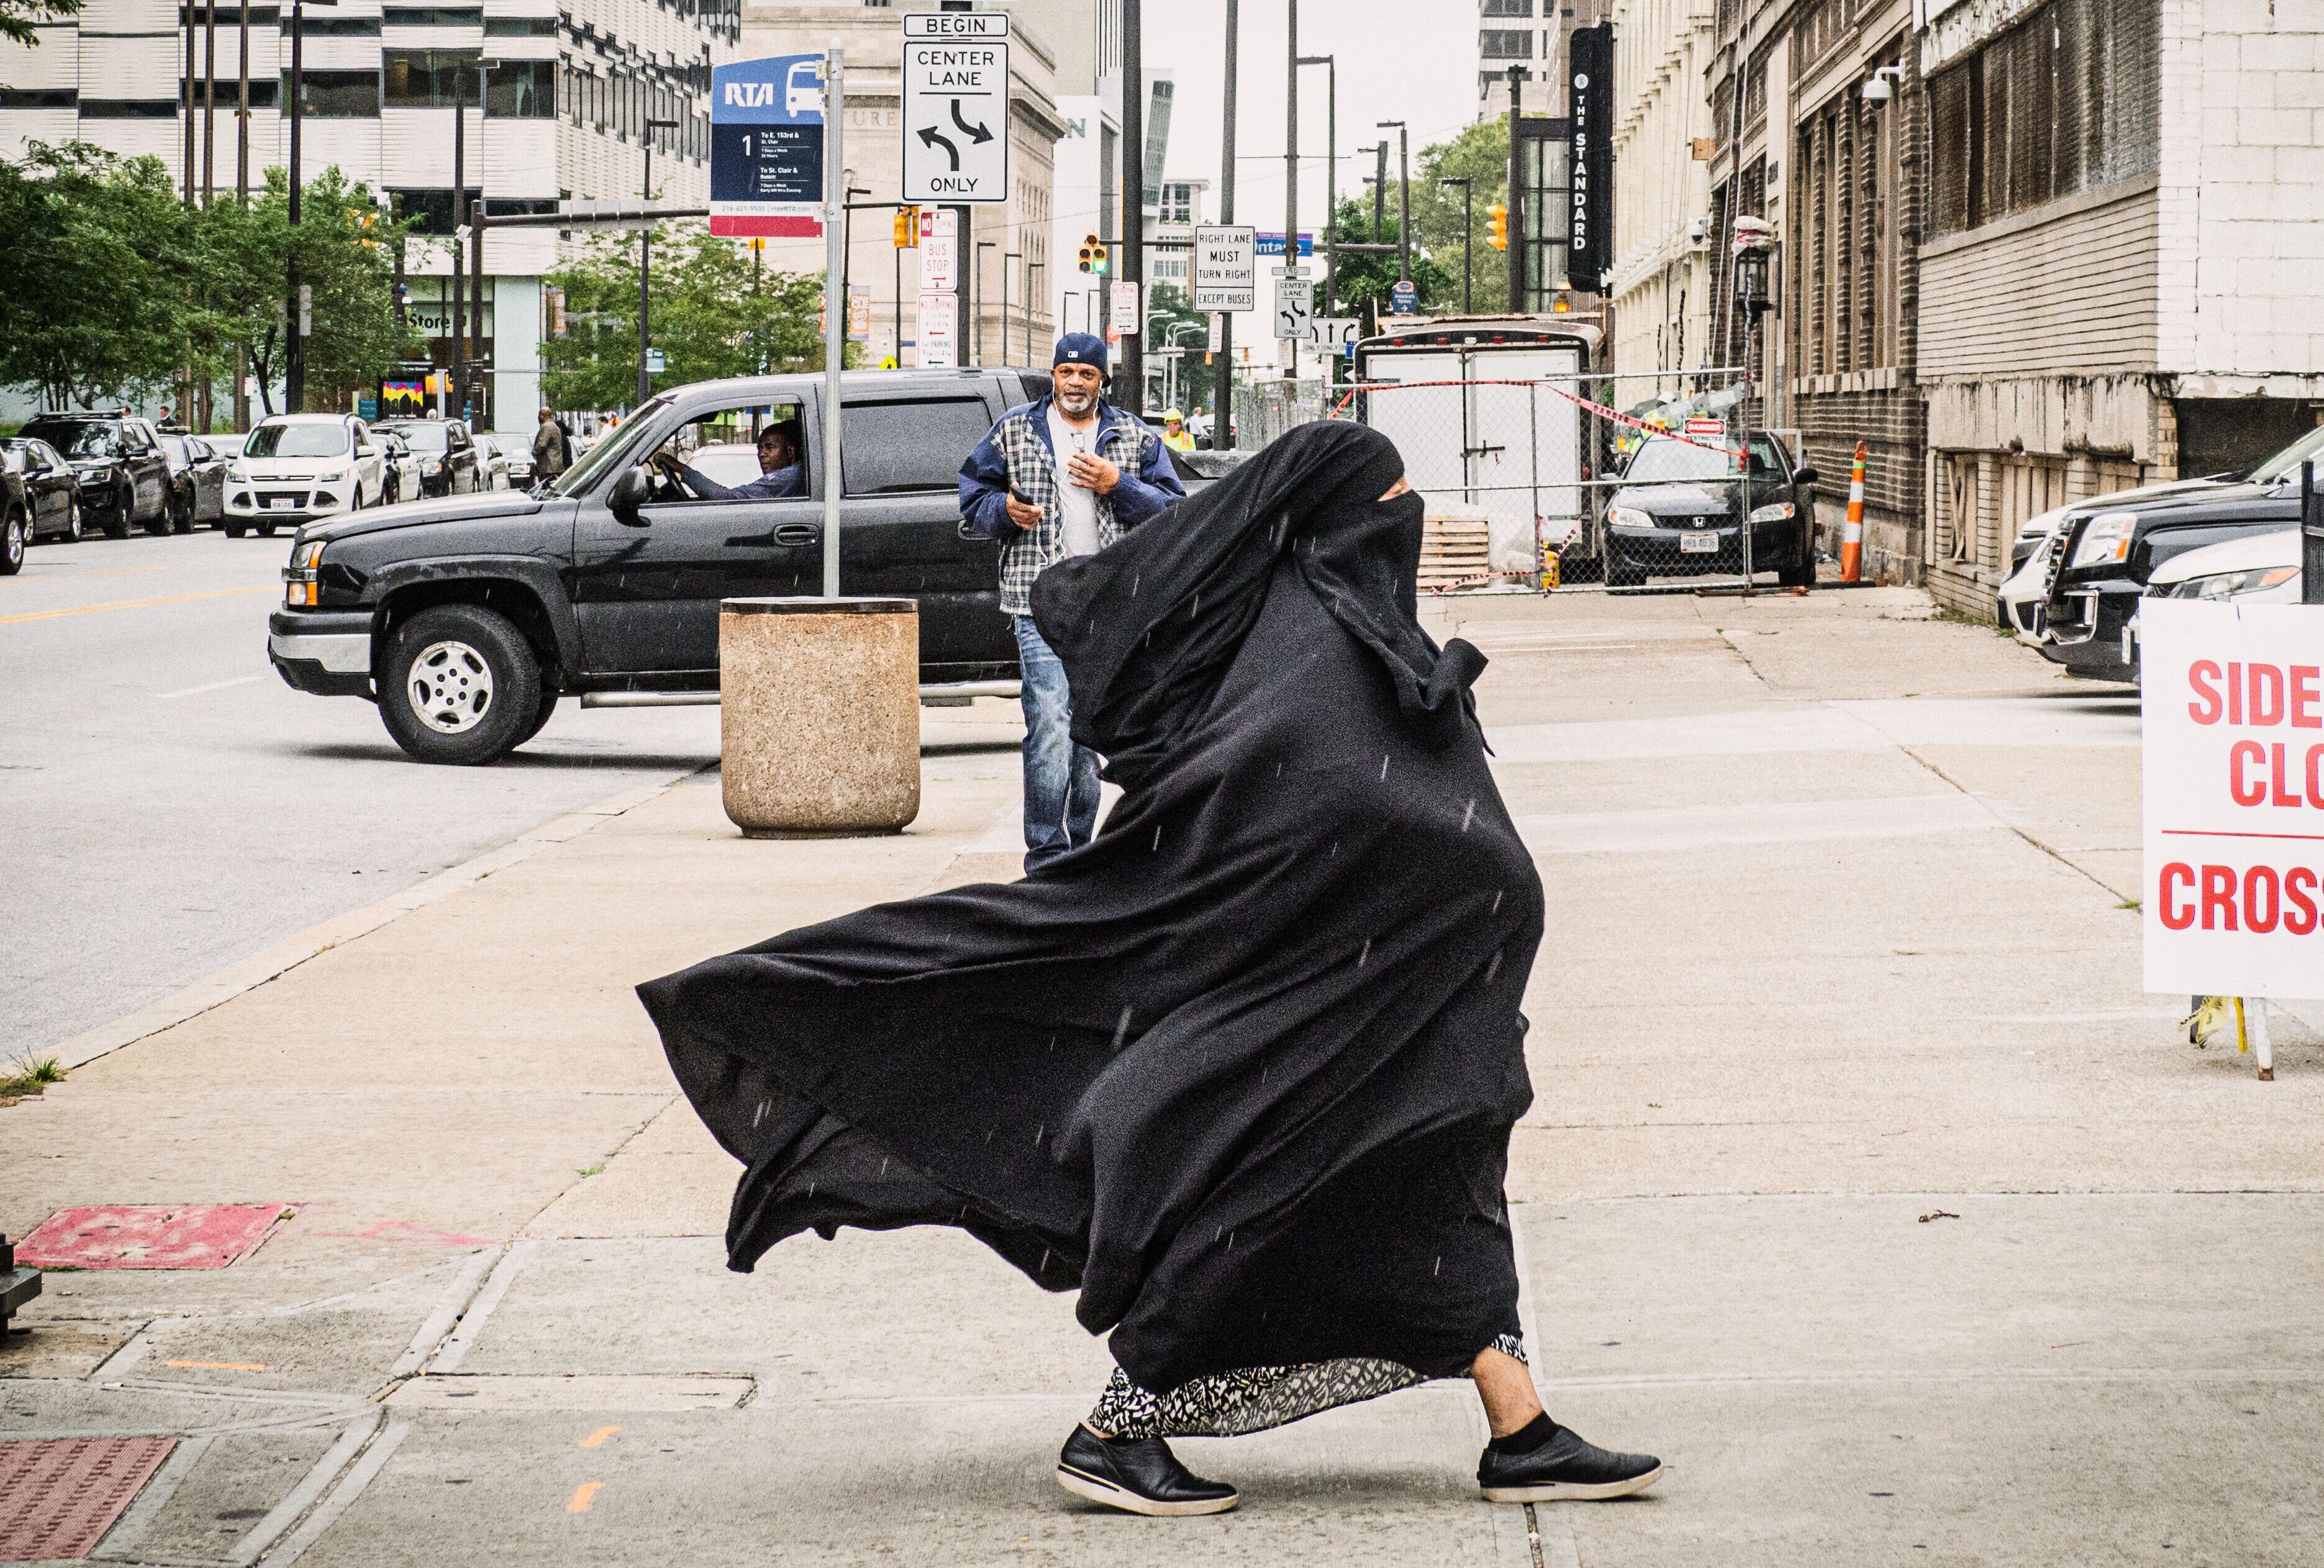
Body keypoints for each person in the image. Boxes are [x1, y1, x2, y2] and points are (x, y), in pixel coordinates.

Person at [638, 420, 1657, 1518]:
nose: (1402, 517)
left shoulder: (1347, 628)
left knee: (1437, 1179)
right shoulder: (1307, 640)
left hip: (1399, 1005)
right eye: (1391, 495)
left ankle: (1520, 1428)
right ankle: (1117, 1430)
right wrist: (1447, 859)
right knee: (1265, 1198)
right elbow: (1311, 801)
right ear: (1337, 518)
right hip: (1308, 1008)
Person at [955, 335, 1184, 869]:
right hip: (1038, 599)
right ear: (1053, 377)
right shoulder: (1014, 429)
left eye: (1086, 373)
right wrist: (1004, 511)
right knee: (1052, 722)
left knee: (1089, 728)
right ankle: (1047, 852)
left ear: (1103, 380)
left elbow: (1174, 513)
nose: (1075, 382)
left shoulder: (1133, 436)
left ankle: (1082, 847)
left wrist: (1117, 483)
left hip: (1111, 604)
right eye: (1066, 372)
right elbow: (973, 498)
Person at [651, 419, 806, 501]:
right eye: (760, 448)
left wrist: (681, 468)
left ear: (790, 452)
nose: (762, 454)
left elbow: (727, 498)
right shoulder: (796, 474)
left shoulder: (786, 477)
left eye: (769, 448)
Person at [532, 406, 571, 487]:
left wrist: (535, 453)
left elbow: (542, 445)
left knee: (547, 488)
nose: (538, 417)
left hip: (549, 466)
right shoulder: (554, 426)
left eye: (540, 415)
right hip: (555, 465)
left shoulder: (547, 427)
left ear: (544, 415)